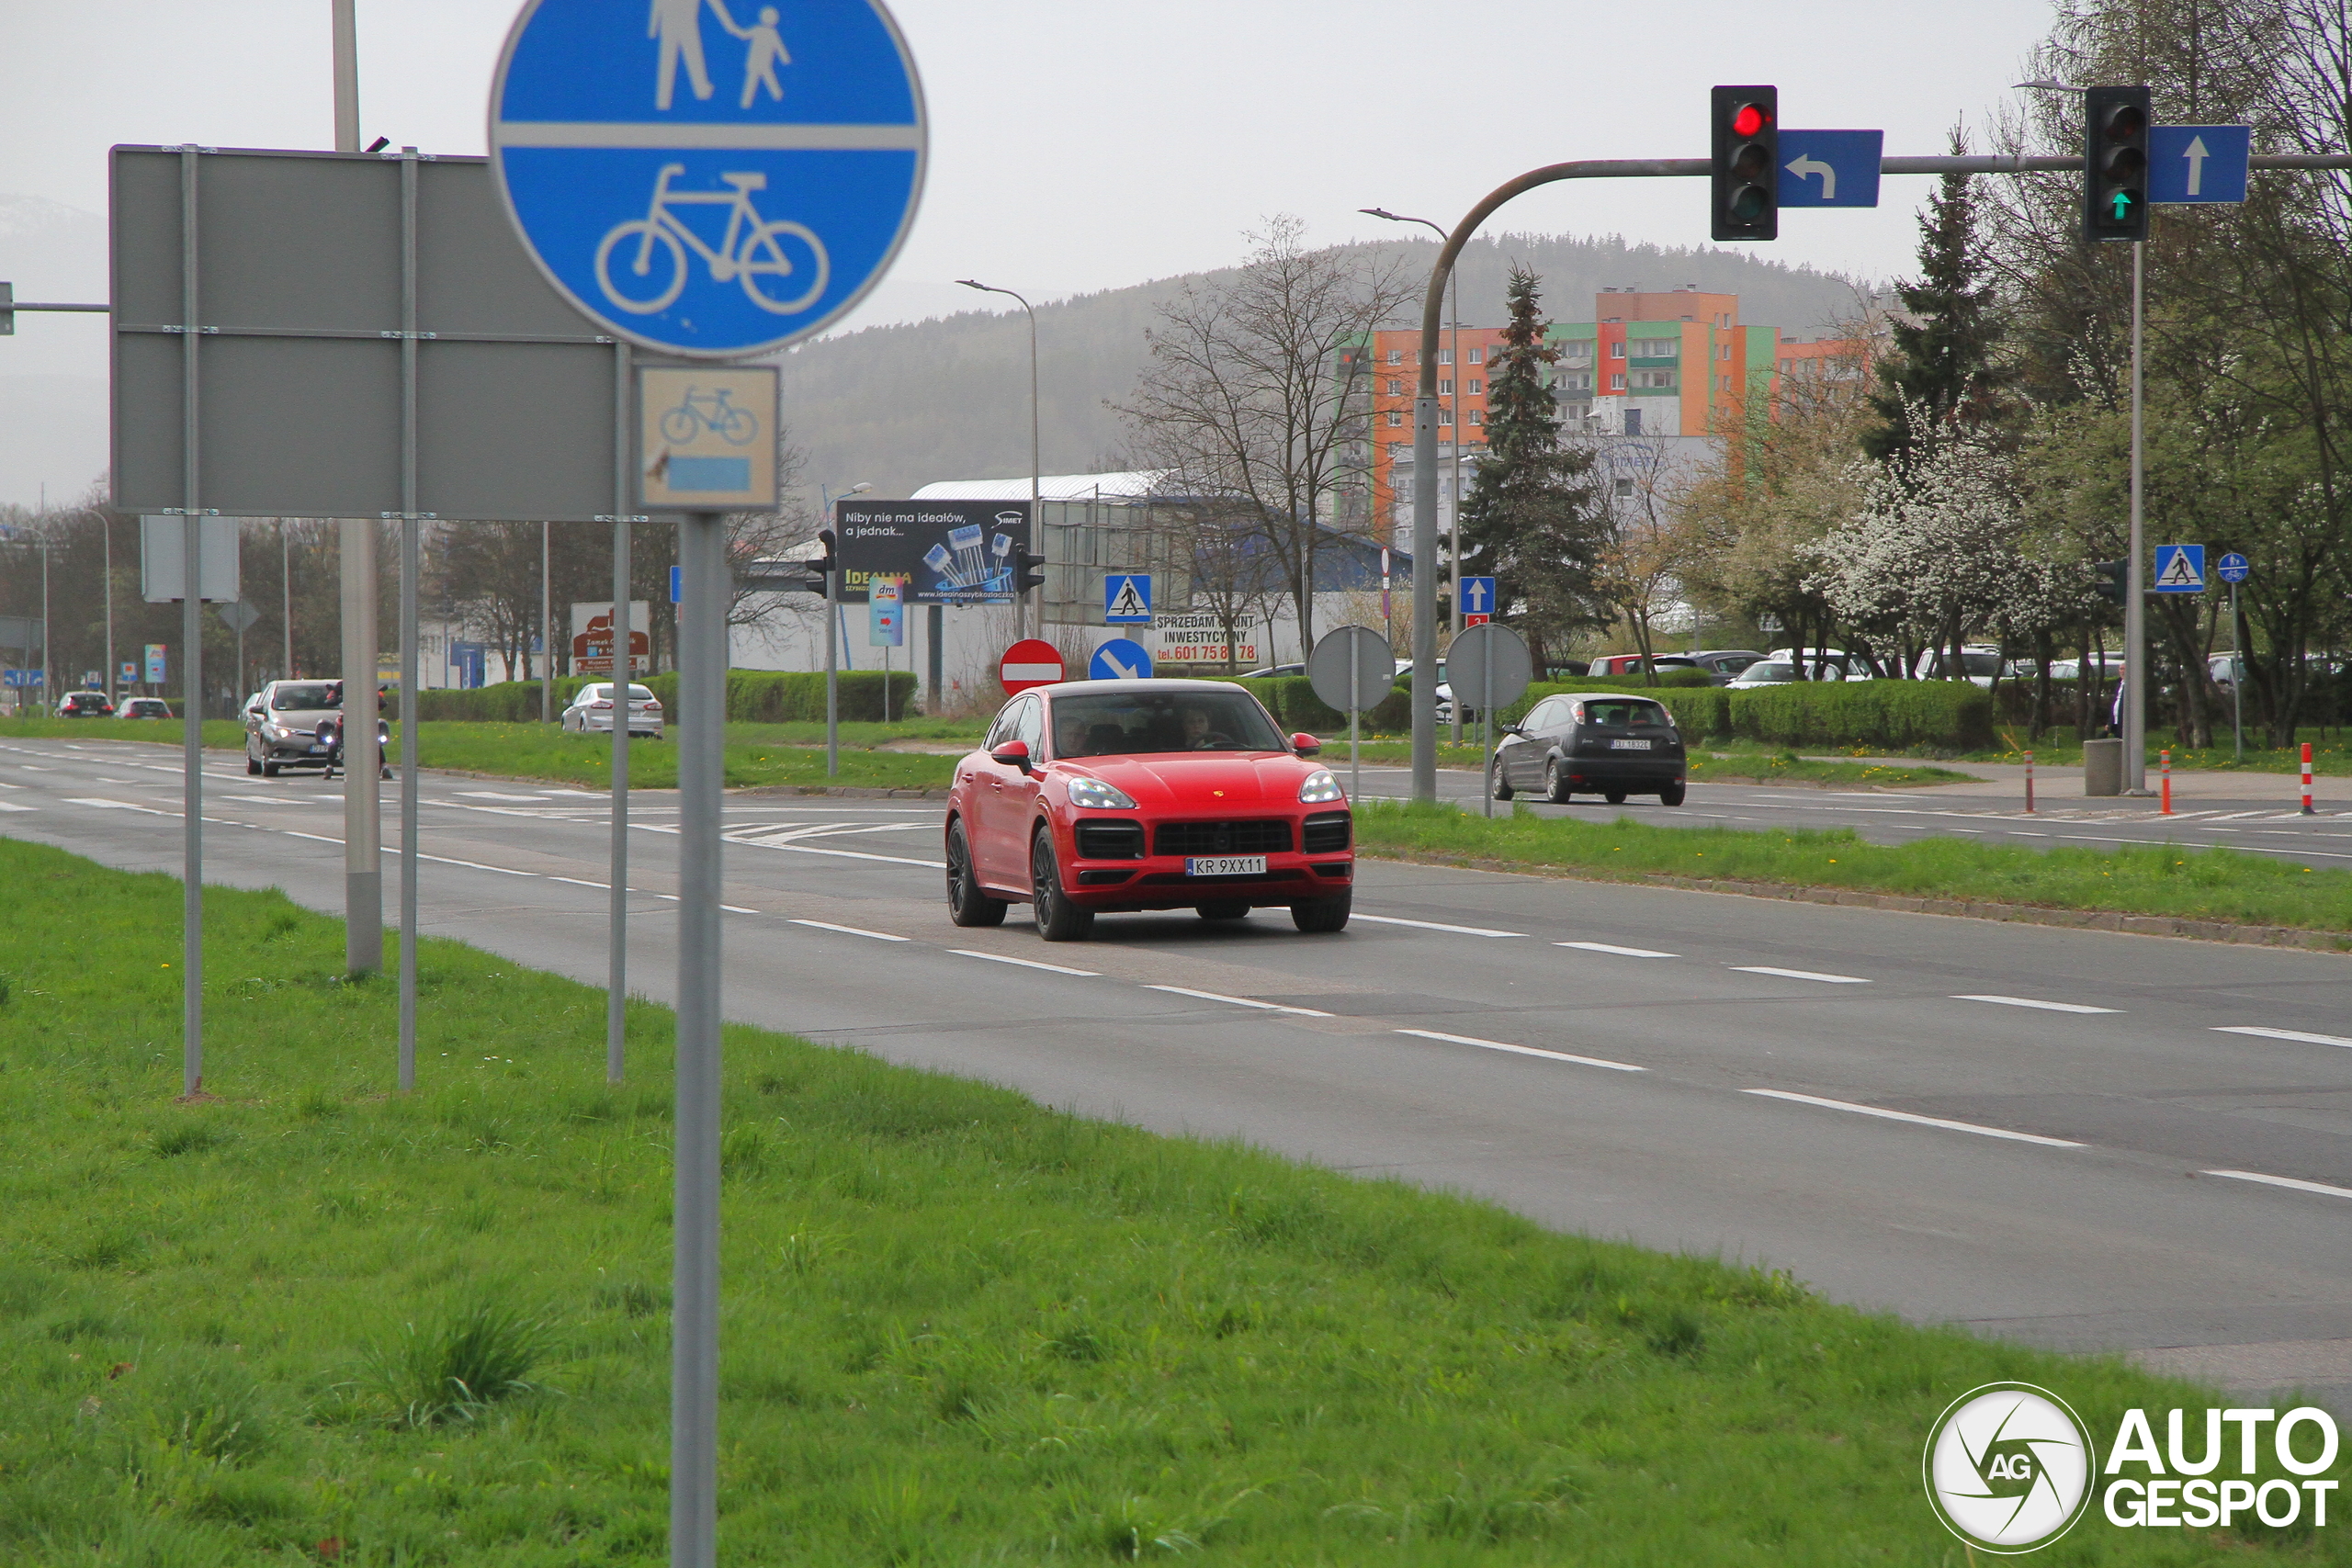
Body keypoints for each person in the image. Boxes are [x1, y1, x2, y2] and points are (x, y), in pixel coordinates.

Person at [738, 6, 789, 108]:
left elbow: (779, 47)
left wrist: (785, 58)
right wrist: (785, 58)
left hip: (762, 62)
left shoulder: (769, 32)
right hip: (759, 62)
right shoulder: (761, 30)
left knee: (764, 79)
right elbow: (745, 35)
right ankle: (747, 102)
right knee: (756, 80)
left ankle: (777, 95)